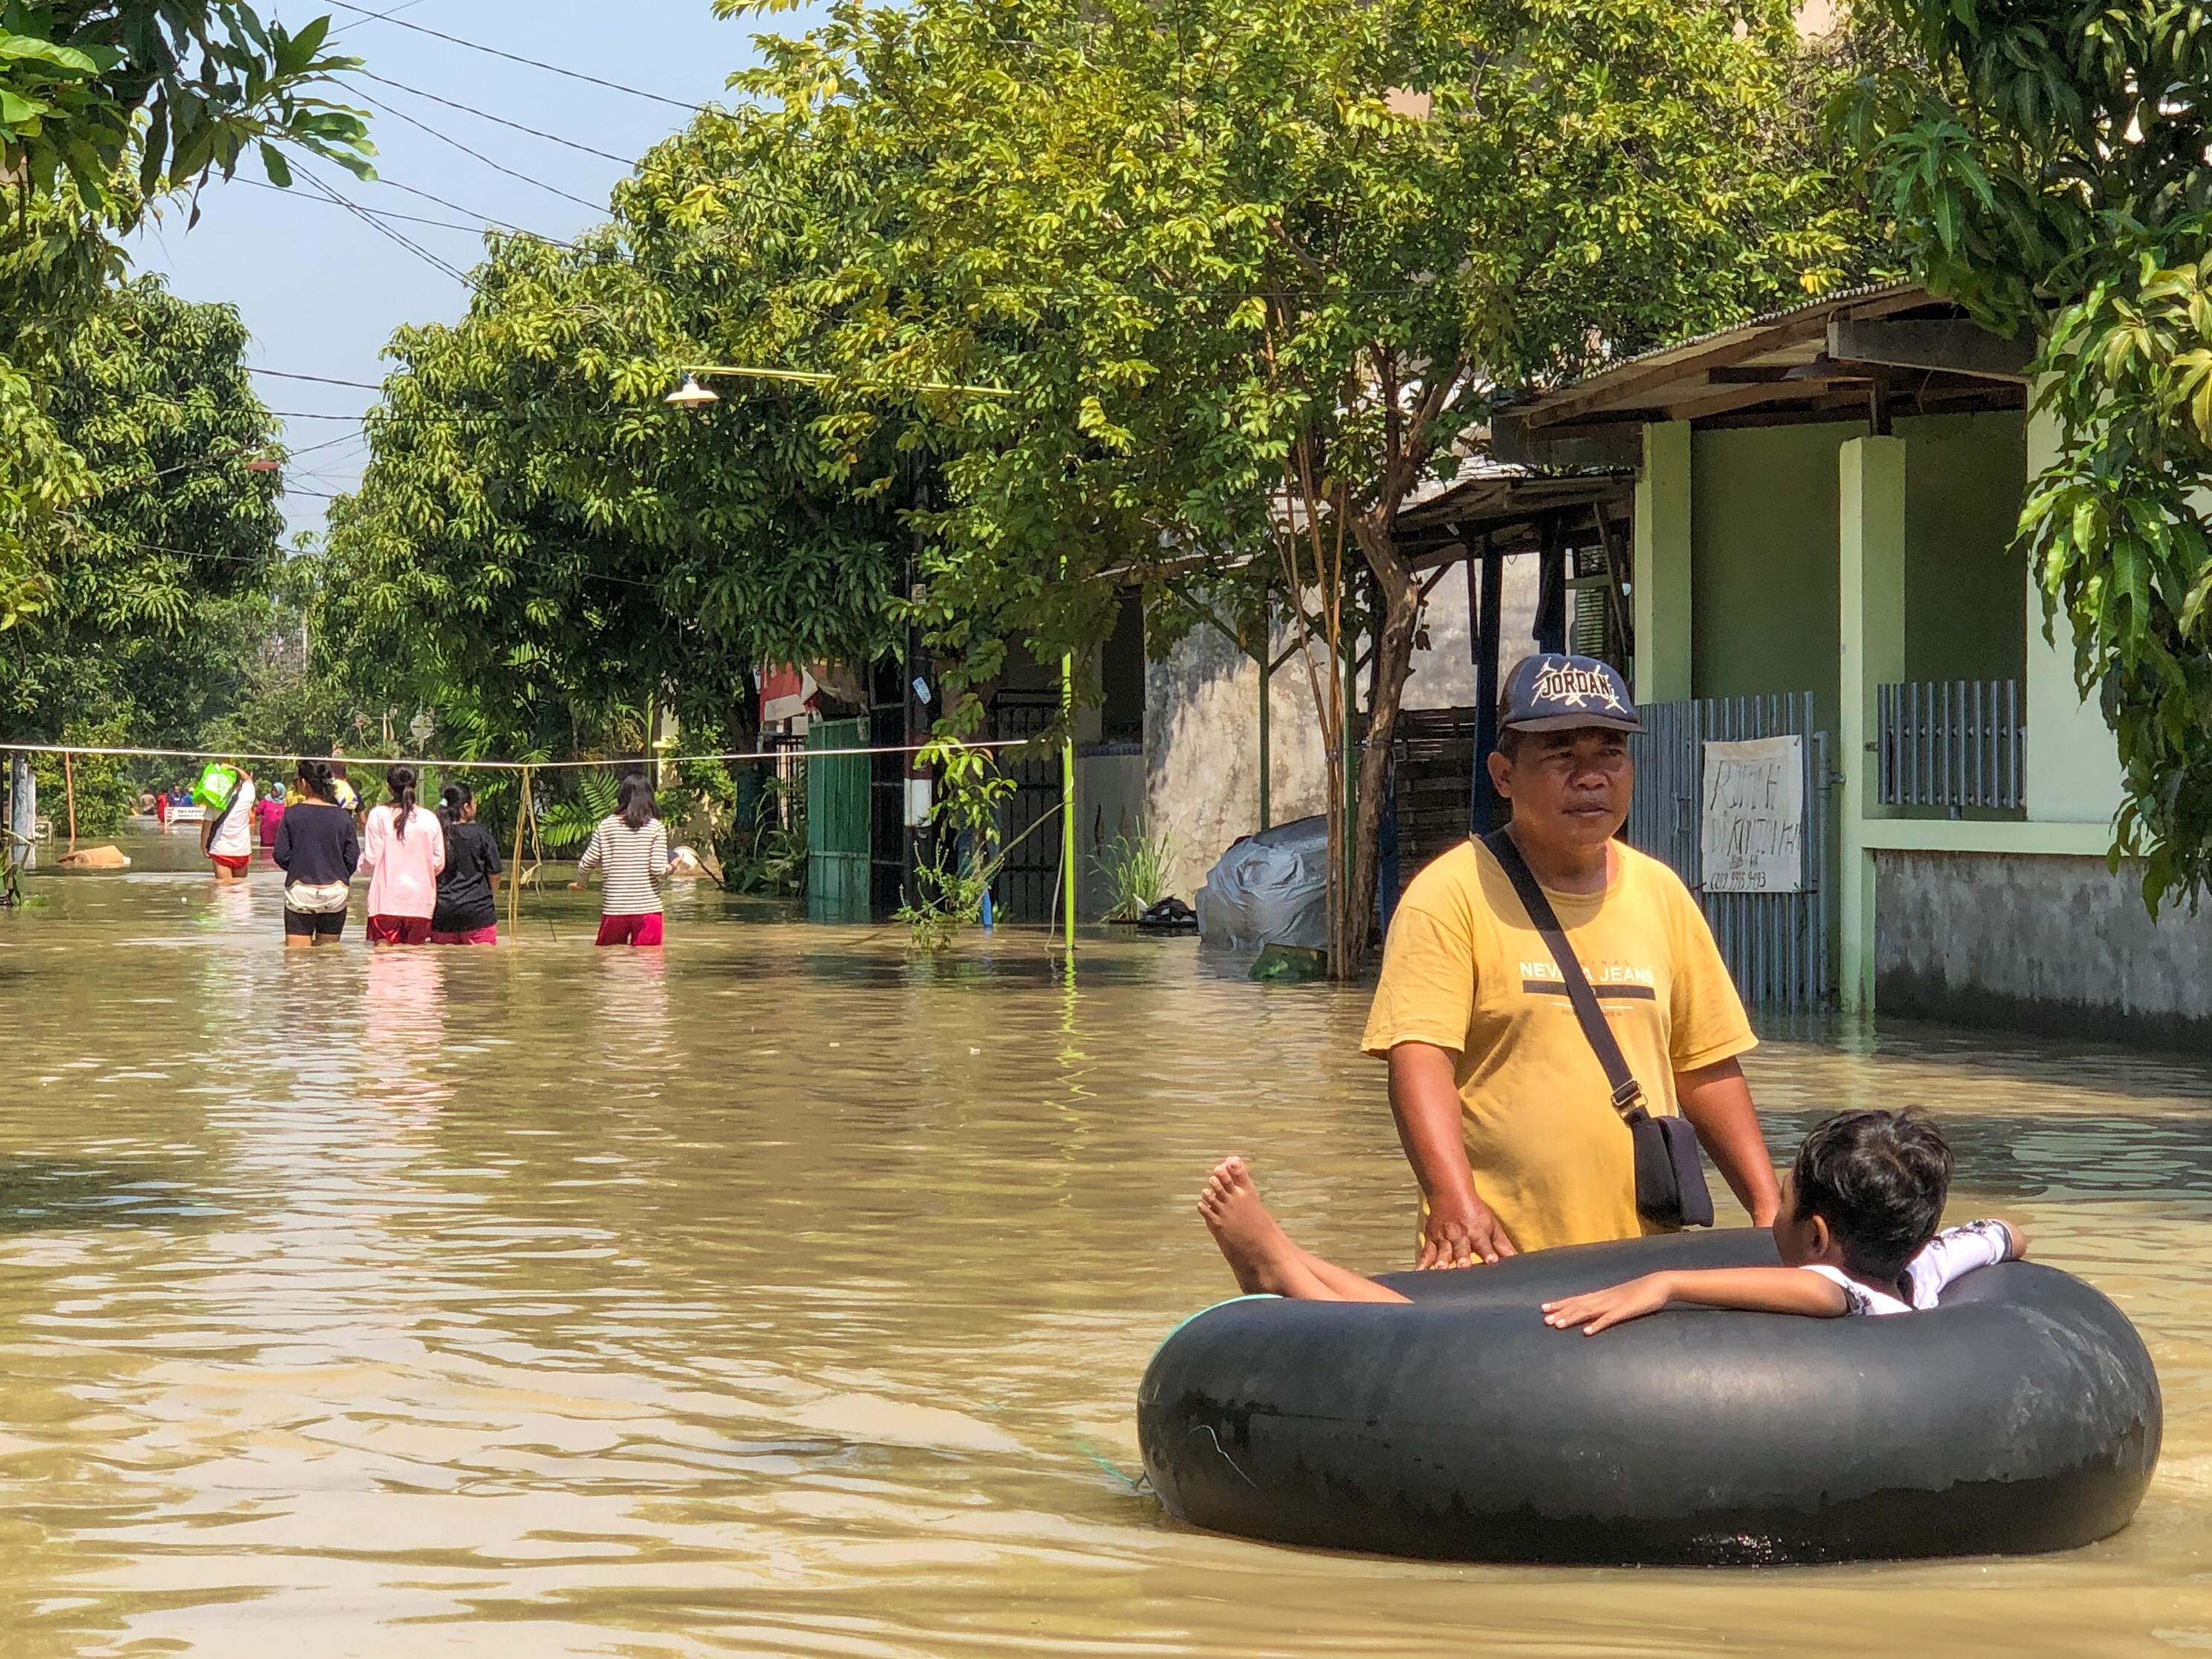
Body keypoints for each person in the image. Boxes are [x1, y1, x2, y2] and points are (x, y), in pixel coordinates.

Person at [1362, 652, 1777, 1265]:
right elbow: (1419, 1063)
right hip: (1497, 1260)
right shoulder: (1449, 896)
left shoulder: (1662, 894)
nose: (1591, 777)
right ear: (1503, 776)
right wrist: (1452, 1196)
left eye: (1610, 753)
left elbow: (1704, 1065)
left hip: (1644, 1263)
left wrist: (1768, 1209)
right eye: (1560, 755)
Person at [1192, 1110, 2024, 1320]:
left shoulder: (1847, 1296)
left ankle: (1278, 1270)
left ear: (1813, 1235)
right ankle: (1282, 1265)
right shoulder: (1919, 1273)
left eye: (1783, 1194)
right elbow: (1993, 1238)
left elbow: (1821, 1295)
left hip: (1593, 1380)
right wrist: (2002, 1239)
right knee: (1422, 1317)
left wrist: (1663, 1284)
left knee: (1438, 1331)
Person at [569, 773, 670, 946]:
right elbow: (658, 870)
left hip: (615, 908)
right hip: (648, 909)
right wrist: (673, 865)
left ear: (622, 796)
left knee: (611, 963)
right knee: (648, 966)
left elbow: (588, 862)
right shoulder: (655, 828)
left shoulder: (606, 825)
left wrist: (581, 883)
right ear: (649, 797)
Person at [273, 758, 360, 947]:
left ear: (304, 783)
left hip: (300, 891)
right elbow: (352, 858)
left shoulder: (292, 814)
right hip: (335, 892)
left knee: (297, 960)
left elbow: (280, 855)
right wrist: (336, 872)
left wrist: (299, 865)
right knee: (329, 958)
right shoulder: (343, 817)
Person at [357, 764, 445, 945]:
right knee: (416, 962)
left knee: (382, 961)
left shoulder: (378, 815)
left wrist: (360, 866)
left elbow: (371, 859)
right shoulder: (429, 818)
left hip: (386, 902)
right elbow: (438, 863)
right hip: (420, 902)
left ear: (389, 787)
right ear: (413, 786)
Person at [429, 782, 503, 944]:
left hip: (442, 914)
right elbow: (495, 874)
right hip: (478, 914)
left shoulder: (436, 834)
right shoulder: (481, 834)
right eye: (474, 802)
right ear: (466, 806)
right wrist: (488, 898)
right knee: (482, 967)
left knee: (445, 966)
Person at [199, 764, 255, 882]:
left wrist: (203, 846)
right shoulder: (247, 795)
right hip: (242, 851)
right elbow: (248, 779)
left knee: (223, 892)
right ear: (238, 782)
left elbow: (207, 825)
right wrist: (231, 767)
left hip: (221, 850)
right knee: (241, 891)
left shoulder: (215, 801)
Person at [255, 785, 285, 851]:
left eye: (275, 791)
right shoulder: (266, 800)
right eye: (272, 790)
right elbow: (258, 812)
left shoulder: (284, 802)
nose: (273, 792)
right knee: (265, 853)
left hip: (279, 832)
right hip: (267, 831)